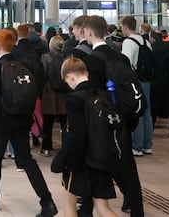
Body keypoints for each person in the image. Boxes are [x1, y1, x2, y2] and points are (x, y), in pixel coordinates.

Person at [0, 28, 57, 216]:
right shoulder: (23, 65)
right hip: (22, 119)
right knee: (26, 160)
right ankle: (47, 201)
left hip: (0, 121)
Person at [84, 15, 144, 217]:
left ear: (90, 33)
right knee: (126, 165)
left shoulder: (92, 60)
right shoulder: (119, 55)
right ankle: (136, 208)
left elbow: (92, 93)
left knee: (99, 161)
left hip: (105, 119)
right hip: (124, 117)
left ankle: (88, 206)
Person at [54, 57, 119, 217]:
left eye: (66, 81)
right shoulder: (103, 94)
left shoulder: (75, 99)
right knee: (103, 207)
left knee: (69, 204)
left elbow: (76, 135)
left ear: (70, 76)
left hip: (81, 161)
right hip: (102, 156)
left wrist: (66, 161)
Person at [120, 15, 154, 156]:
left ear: (125, 27)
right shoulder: (145, 42)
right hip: (146, 80)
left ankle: (137, 146)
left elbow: (126, 64)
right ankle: (147, 145)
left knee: (136, 110)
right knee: (146, 111)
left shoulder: (128, 42)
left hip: (134, 80)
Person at [40, 35, 68, 157]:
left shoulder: (46, 57)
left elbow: (43, 75)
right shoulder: (66, 58)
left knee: (48, 123)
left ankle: (46, 147)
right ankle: (66, 147)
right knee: (65, 123)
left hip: (49, 93)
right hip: (64, 94)